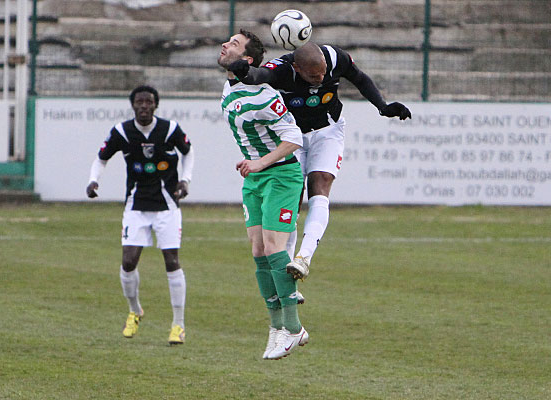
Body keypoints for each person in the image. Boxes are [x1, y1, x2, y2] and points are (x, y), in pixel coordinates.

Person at [229, 41, 412, 281]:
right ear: (297, 68)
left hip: (329, 130)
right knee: (292, 199)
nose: (320, 78)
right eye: (313, 76)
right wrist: (244, 71)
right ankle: (286, 274)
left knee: (321, 184)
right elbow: (259, 75)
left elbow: (360, 78)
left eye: (323, 73)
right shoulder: (282, 69)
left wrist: (382, 106)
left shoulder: (337, 58)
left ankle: (304, 257)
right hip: (292, 137)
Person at [218, 29, 309, 360]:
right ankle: (276, 328)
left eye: (235, 44)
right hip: (255, 179)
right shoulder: (229, 89)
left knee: (273, 246)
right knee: (258, 250)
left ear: (248, 60)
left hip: (281, 175)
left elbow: (293, 138)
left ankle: (294, 328)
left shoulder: (265, 94)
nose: (226, 44)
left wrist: (260, 163)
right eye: (228, 40)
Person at [86, 85, 194, 345]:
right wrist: (93, 181)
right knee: (128, 261)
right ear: (133, 105)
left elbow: (188, 152)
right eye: (139, 102)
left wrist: (186, 180)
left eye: (148, 102)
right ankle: (134, 310)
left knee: (171, 261)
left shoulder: (169, 129)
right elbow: (101, 159)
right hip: (136, 206)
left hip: (167, 206)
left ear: (156, 105)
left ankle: (178, 325)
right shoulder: (122, 132)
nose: (144, 106)